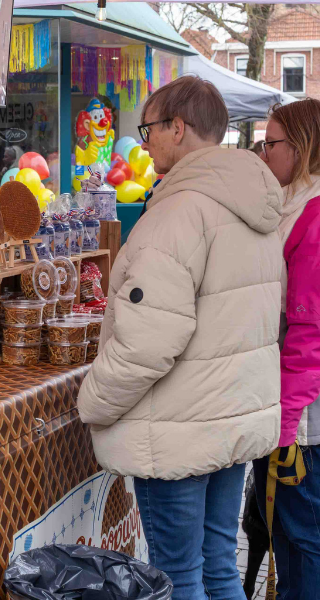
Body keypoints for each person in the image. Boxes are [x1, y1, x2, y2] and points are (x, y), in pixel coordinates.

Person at [77, 76, 283, 600]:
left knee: (180, 575)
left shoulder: (178, 212)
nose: (143, 142)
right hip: (228, 417)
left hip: (178, 430)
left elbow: (149, 340)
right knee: (218, 568)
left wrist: (93, 402)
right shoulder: (252, 205)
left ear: (178, 127)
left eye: (147, 129)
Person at [253, 98, 320, 600]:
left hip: (304, 417)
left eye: (270, 144)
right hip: (293, 408)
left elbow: (309, 330)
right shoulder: (294, 205)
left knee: (301, 540)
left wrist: (285, 424)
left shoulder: (311, 216)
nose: (263, 154)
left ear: (300, 147)